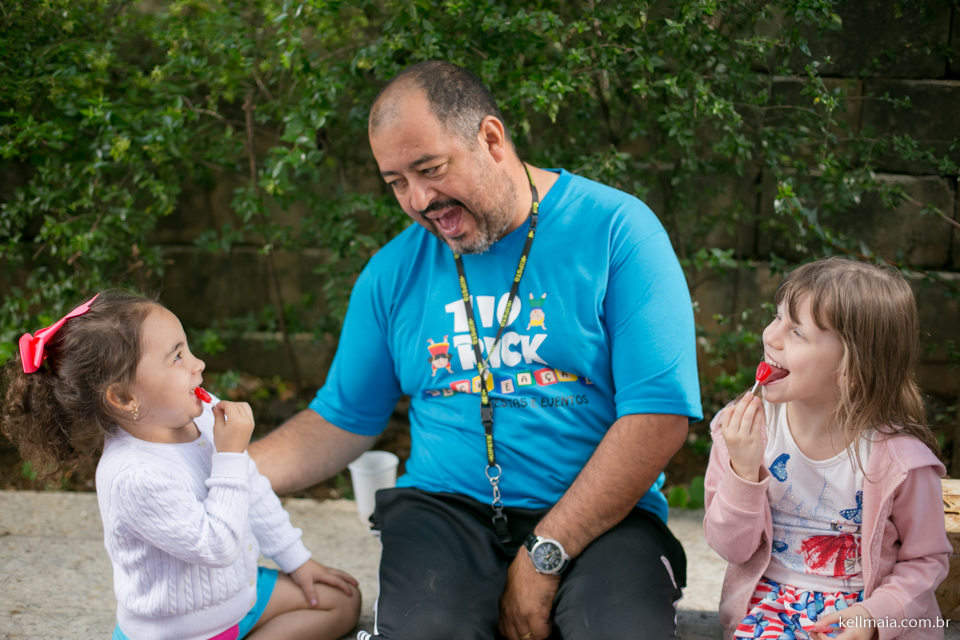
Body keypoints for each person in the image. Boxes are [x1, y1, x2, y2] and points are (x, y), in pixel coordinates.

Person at [249, 60, 702, 640]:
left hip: (603, 516)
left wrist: (546, 554)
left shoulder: (618, 231)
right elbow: (341, 420)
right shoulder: (391, 273)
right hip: (446, 512)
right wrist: (223, 474)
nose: (418, 200)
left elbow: (657, 418)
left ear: (490, 138)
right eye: (395, 183)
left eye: (430, 169)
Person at [1, 290, 361, 640]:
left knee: (343, 602)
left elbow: (250, 486)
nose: (198, 363)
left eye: (187, 348)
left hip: (240, 597)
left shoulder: (203, 415)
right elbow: (217, 547)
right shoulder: (133, 475)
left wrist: (298, 561)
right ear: (124, 397)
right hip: (179, 629)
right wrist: (230, 456)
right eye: (177, 357)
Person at [703, 258, 950, 640]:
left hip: (864, 613)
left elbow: (927, 558)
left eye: (797, 332)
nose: (771, 336)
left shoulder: (900, 461)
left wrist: (873, 617)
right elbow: (731, 549)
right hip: (768, 610)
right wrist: (743, 470)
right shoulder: (743, 435)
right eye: (777, 317)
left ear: (851, 367)